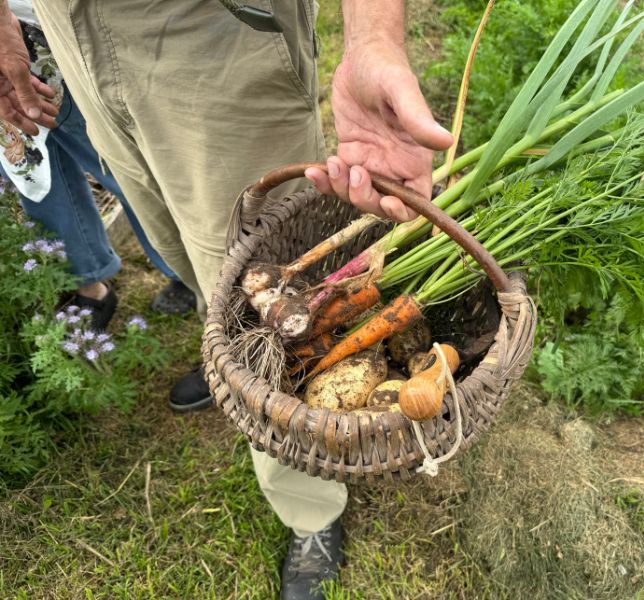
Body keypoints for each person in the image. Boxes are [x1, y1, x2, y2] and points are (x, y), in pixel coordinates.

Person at [0, 2, 453, 597]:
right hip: (72, 34)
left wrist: (373, 39)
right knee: (195, 259)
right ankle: (228, 362)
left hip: (214, 35)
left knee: (257, 271)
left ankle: (309, 509)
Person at [0, 11, 196, 330]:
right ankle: (87, 282)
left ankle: (184, 267)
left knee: (116, 162)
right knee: (31, 170)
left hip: (38, 27)